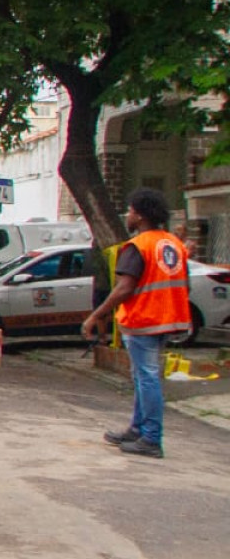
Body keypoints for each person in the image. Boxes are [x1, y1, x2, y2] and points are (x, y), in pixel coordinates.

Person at [81, 188, 189, 459]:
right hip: (168, 319)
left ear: (139, 216)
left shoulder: (139, 246)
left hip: (144, 319)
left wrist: (97, 314)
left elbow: (124, 288)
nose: (128, 215)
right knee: (143, 376)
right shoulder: (173, 243)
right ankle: (138, 429)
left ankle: (151, 437)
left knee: (147, 377)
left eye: (130, 211)